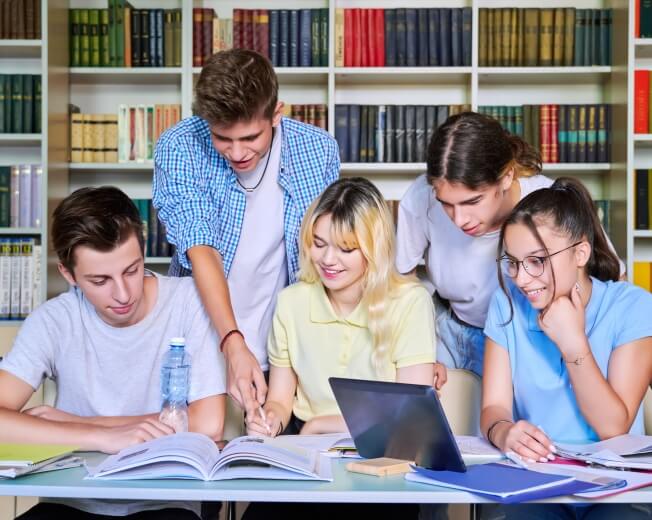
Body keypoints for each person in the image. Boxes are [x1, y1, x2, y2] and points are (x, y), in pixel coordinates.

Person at [0, 187, 226, 520]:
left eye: (132, 270)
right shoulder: (52, 319)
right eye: (100, 279)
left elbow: (208, 426)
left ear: (144, 251)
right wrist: (101, 436)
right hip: (71, 502)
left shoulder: (189, 300)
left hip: (165, 505)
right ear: (68, 274)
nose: (122, 293)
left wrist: (73, 424)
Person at [153, 49, 339, 418]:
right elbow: (200, 248)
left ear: (277, 113)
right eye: (223, 138)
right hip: (203, 340)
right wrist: (232, 342)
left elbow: (329, 255)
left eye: (251, 137)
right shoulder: (179, 146)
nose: (238, 153)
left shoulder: (318, 151)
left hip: (286, 349)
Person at [244, 177, 437, 519]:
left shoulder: (410, 302)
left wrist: (321, 425)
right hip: (306, 456)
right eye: (318, 243)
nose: (327, 260)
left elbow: (409, 421)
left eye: (346, 248)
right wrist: (269, 419)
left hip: (382, 459)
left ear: (373, 249)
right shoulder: (291, 303)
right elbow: (280, 399)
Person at [480, 177, 652, 519]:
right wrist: (504, 433)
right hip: (537, 481)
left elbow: (613, 428)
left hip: (615, 488)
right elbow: (494, 407)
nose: (522, 278)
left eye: (537, 261)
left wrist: (574, 343)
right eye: (513, 262)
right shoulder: (505, 304)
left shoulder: (634, 306)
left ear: (581, 253)